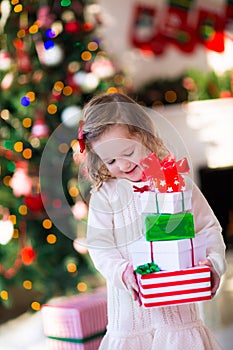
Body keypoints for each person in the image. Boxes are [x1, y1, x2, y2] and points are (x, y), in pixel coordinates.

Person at [77, 92, 226, 349]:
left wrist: (213, 263)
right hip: (129, 322)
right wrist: (123, 272)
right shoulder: (106, 197)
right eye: (110, 160)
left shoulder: (178, 185)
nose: (122, 165)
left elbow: (208, 228)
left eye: (127, 152)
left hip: (179, 323)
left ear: (145, 136)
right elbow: (101, 248)